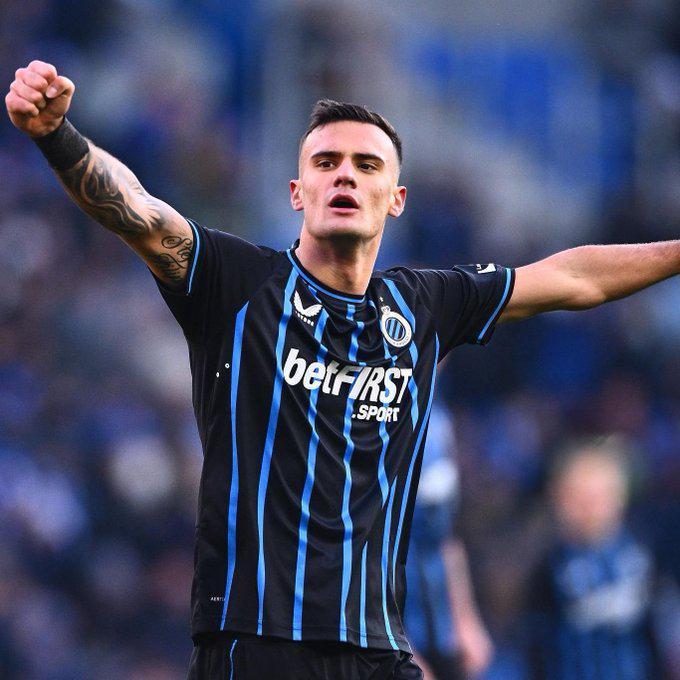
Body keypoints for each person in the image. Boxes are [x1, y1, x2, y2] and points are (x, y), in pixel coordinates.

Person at [5, 60, 678, 680]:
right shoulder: (237, 284)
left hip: (378, 649)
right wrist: (58, 136)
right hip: (255, 645)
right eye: (325, 163)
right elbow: (139, 212)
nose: (345, 176)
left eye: (366, 164)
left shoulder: (423, 305)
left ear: (397, 198)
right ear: (297, 192)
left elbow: (573, 278)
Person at [524, 437, 665, 679]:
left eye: (600, 496)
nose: (590, 508)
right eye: (580, 497)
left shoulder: (643, 551)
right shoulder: (548, 562)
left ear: (620, 497)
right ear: (559, 499)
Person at [404, 400, 493, 679]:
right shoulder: (372, 412)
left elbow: (445, 533)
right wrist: (394, 647)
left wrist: (465, 616)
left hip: (439, 626)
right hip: (388, 624)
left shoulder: (439, 416)